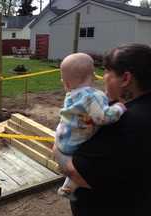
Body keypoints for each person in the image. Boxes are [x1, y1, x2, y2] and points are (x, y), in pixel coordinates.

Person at [53, 43, 151, 216]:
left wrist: (58, 148)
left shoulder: (130, 124)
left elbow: (78, 175)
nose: (103, 77)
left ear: (125, 79)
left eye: (107, 72)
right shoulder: (133, 107)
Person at [54, 53, 126, 201]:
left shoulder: (71, 94)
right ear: (93, 76)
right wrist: (119, 108)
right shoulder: (94, 95)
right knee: (79, 170)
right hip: (76, 143)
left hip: (62, 139)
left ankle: (66, 189)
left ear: (65, 83)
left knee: (69, 167)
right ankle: (68, 184)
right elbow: (102, 117)